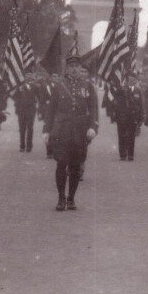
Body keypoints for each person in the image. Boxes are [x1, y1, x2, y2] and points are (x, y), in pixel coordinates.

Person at [44, 55, 100, 210]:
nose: (74, 69)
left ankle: (71, 198)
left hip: (80, 131)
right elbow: (50, 111)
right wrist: (46, 131)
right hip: (61, 130)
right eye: (71, 67)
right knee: (61, 164)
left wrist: (92, 127)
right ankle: (61, 198)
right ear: (67, 69)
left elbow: (93, 109)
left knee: (75, 165)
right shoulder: (59, 86)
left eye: (77, 66)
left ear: (80, 69)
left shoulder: (88, 86)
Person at [12, 78, 39, 152]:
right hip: (21, 110)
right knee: (22, 128)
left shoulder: (35, 87)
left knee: (30, 128)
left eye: (30, 74)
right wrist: (18, 91)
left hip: (31, 110)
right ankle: (22, 145)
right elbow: (13, 96)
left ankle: (29, 146)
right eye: (27, 75)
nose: (28, 77)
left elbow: (39, 97)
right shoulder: (19, 87)